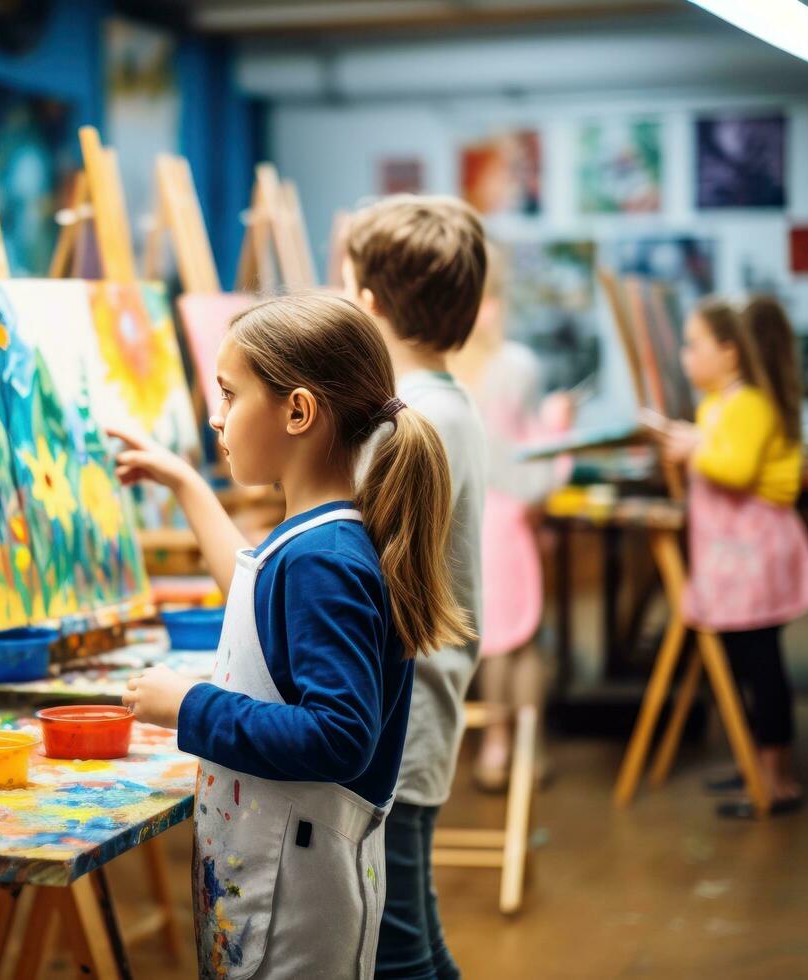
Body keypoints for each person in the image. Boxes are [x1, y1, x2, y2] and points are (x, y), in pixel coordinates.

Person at [115, 292, 470, 978]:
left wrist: (189, 706)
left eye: (228, 395)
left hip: (297, 904)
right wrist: (187, 483)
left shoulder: (324, 563)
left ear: (298, 411)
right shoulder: (314, 542)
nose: (215, 417)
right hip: (280, 879)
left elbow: (338, 735)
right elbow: (251, 587)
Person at [343, 194, 487, 980]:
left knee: (395, 950)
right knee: (416, 936)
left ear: (367, 305)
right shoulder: (446, 408)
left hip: (395, 725)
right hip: (422, 712)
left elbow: (351, 574)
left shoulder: (406, 427)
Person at [658, 295, 808, 819]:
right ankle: (754, 763)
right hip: (731, 561)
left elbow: (738, 468)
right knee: (739, 664)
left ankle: (777, 778)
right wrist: (690, 445)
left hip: (758, 557)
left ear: (730, 352)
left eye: (693, 345)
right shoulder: (715, 406)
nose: (685, 356)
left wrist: (693, 447)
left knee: (762, 663)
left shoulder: (749, 403)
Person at [450, 244, 574, 791]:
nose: (495, 311)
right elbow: (532, 467)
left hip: (461, 526)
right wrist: (558, 425)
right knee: (516, 642)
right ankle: (518, 745)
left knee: (494, 639)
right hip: (504, 526)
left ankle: (498, 746)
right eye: (489, 299)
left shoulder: (436, 373)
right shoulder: (515, 366)